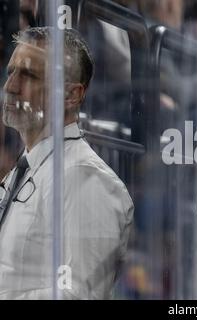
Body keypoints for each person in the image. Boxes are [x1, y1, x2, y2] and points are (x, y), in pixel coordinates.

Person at [0, 27, 134, 299]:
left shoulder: (86, 179)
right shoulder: (24, 171)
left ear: (72, 95)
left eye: (28, 75)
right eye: (11, 72)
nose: (10, 87)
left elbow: (77, 295)